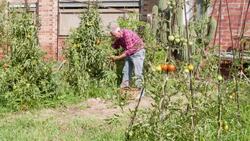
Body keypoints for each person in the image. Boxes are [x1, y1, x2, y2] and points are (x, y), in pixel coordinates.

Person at [110, 26, 145, 94]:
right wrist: (110, 47)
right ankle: (124, 88)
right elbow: (115, 46)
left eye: (114, 35)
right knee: (126, 70)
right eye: (113, 36)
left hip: (138, 52)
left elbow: (130, 50)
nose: (114, 37)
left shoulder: (126, 33)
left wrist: (117, 57)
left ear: (119, 31)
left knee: (138, 72)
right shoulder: (119, 37)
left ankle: (141, 92)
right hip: (130, 53)